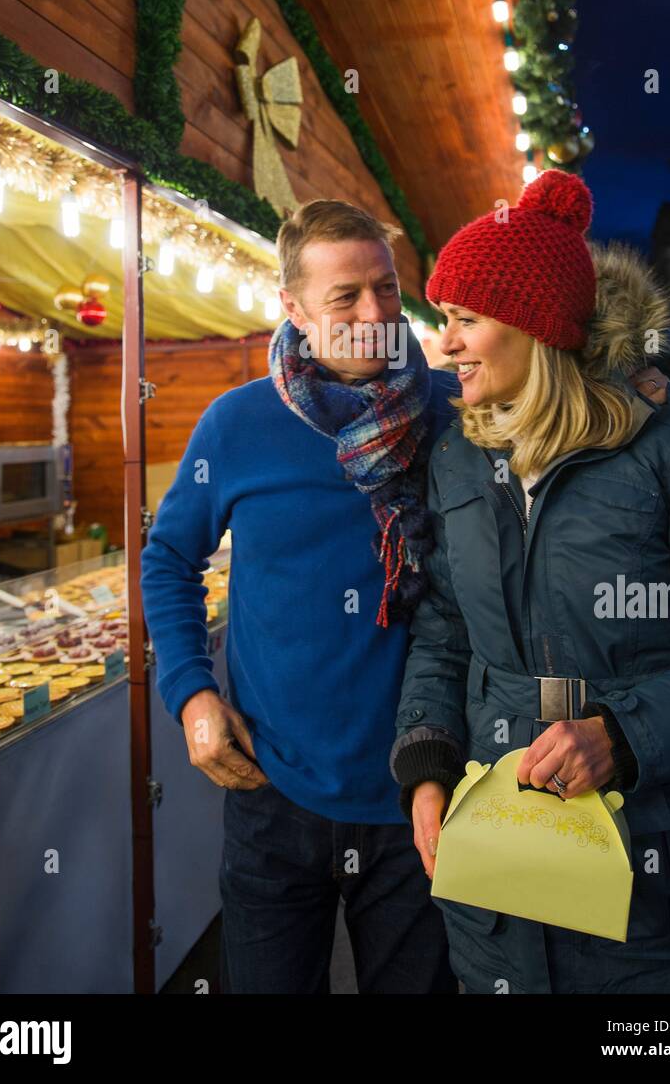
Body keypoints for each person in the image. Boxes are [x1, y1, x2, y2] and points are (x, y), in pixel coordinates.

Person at [391, 170, 670, 995]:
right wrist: (427, 761)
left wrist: (623, 734)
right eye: (442, 322)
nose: (446, 345)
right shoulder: (459, 459)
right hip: (500, 900)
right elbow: (444, 632)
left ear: (533, 327)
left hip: (663, 907)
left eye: (465, 320)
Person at [140, 199, 460, 995]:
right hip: (272, 792)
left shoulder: (455, 410)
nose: (376, 312)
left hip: (422, 789)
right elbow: (168, 556)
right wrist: (190, 696)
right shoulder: (237, 424)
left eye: (385, 288)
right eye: (344, 296)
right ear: (291, 307)